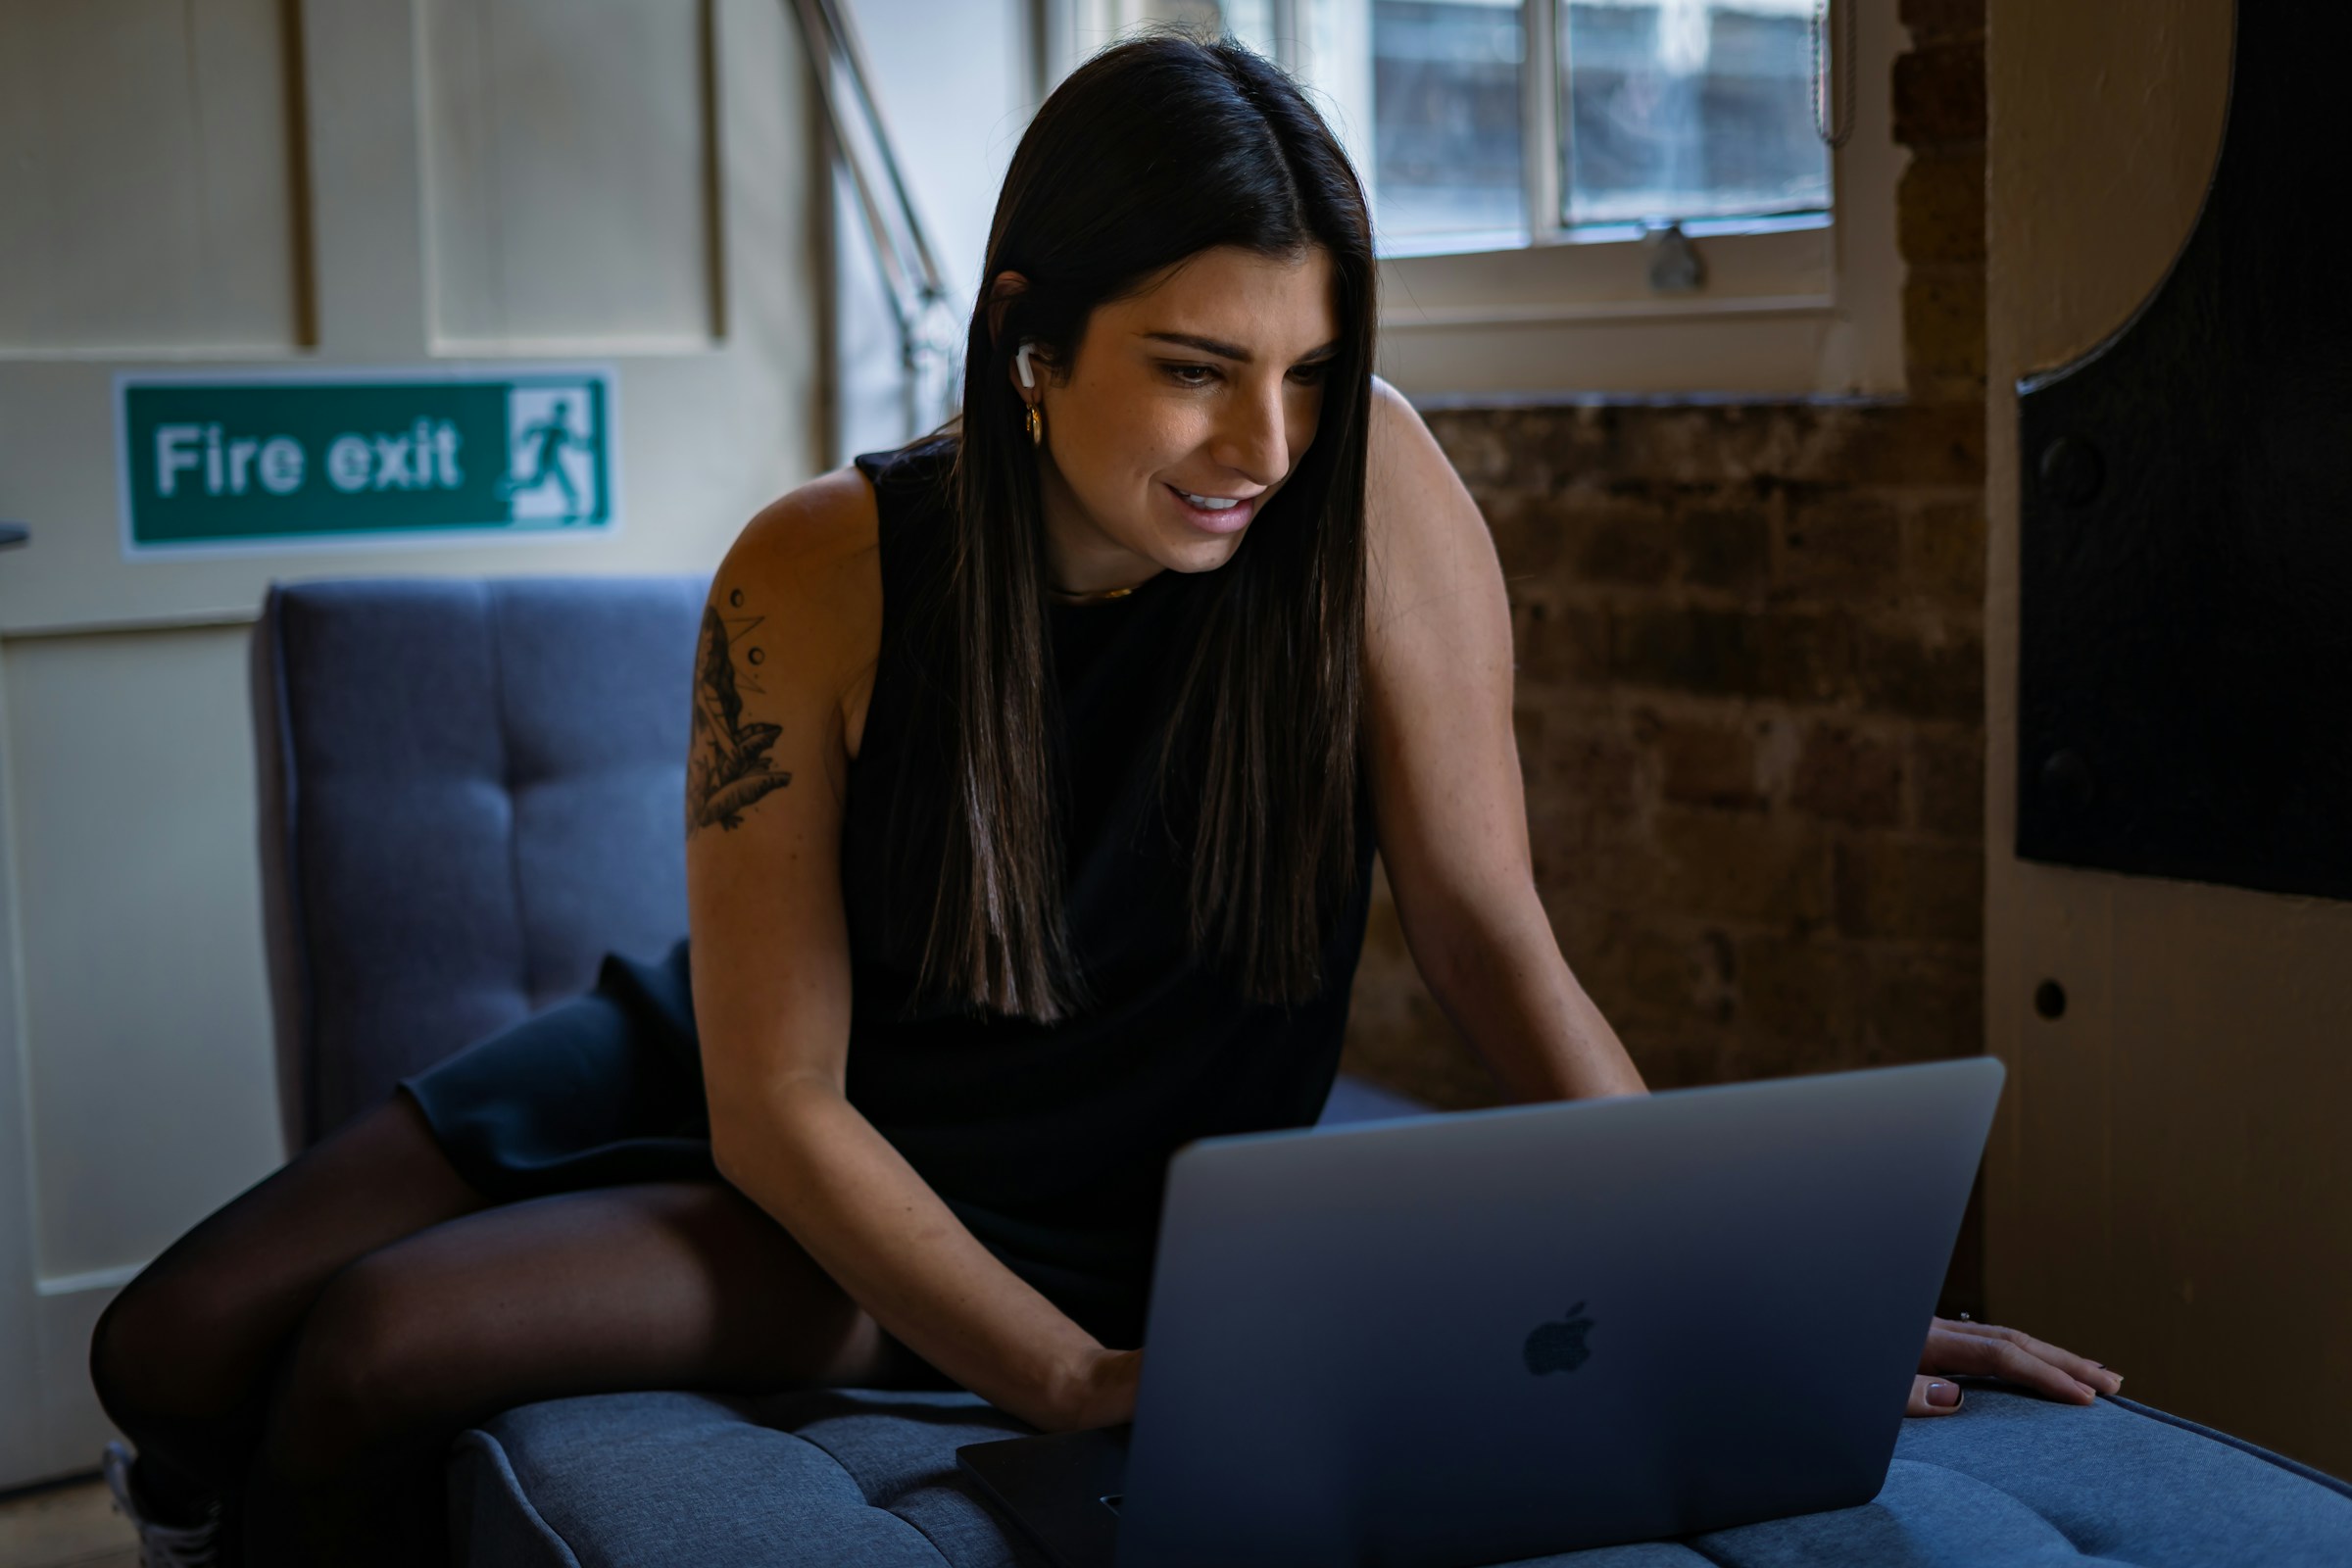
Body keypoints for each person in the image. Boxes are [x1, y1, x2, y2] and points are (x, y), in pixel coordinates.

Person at [86, 31, 2118, 1568]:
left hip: (1020, 1195)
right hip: (764, 1083)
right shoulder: (818, 565)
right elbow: (773, 1092)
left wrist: (1740, 1294)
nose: (1267, 440)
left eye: (1313, 368)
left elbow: (1496, 936)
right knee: (161, 1349)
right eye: (1198, 366)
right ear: (1027, 342)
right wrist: (1069, 1394)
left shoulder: (1372, 492)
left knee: (368, 1353)